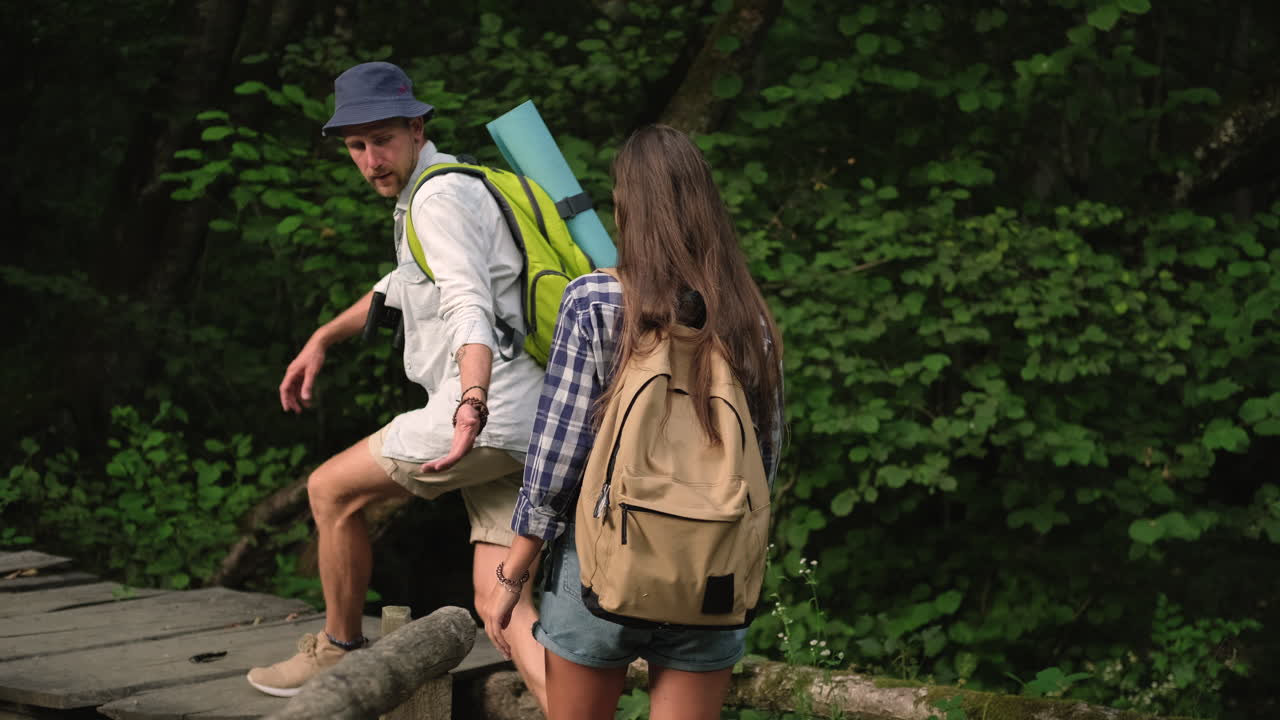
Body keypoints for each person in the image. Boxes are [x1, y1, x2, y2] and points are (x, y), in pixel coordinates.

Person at [246, 62, 547, 710]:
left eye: (381, 139)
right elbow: (402, 285)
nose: (370, 160)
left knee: (330, 491)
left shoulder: (436, 201)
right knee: (501, 600)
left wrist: (470, 403)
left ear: (416, 128)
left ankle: (337, 648)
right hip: (530, 415)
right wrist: (324, 336)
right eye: (356, 146)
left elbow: (467, 302)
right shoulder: (450, 187)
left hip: (485, 411)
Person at [479, 124, 785, 720]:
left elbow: (558, 460)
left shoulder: (595, 302)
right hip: (711, 574)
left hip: (601, 568)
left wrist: (513, 575)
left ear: (626, 206)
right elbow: (763, 467)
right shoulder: (750, 321)